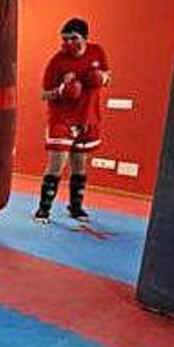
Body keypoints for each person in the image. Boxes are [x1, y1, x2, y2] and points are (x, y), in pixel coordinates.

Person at [34, 18, 111, 224]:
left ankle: (75, 208)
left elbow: (107, 76)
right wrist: (61, 90)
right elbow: (44, 94)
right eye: (65, 39)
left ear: (85, 38)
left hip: (87, 117)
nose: (69, 43)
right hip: (62, 119)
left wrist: (100, 78)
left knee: (80, 165)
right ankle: (43, 210)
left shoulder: (97, 52)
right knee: (57, 164)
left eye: (73, 38)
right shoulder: (57, 61)